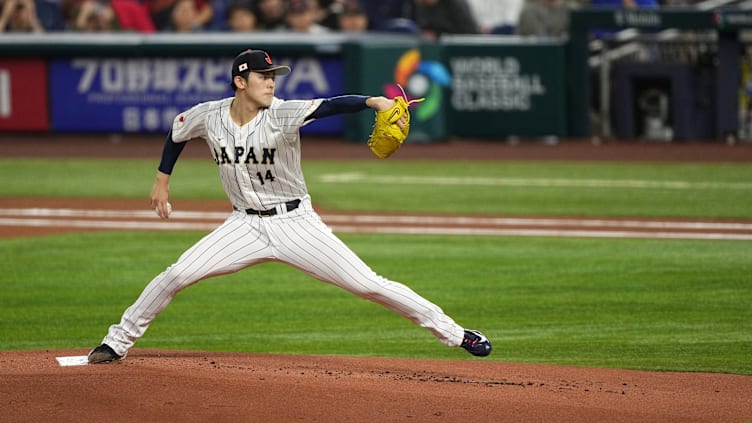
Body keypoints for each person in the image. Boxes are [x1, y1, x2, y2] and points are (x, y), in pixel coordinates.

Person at [87, 48, 492, 364]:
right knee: (176, 275)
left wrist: (375, 102)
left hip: (297, 224)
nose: (271, 82)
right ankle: (115, 342)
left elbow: (332, 104)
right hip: (242, 227)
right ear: (239, 81)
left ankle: (456, 333)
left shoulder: (283, 114)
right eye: (263, 76)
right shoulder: (208, 116)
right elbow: (176, 134)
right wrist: (162, 178)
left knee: (368, 284)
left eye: (273, 76)